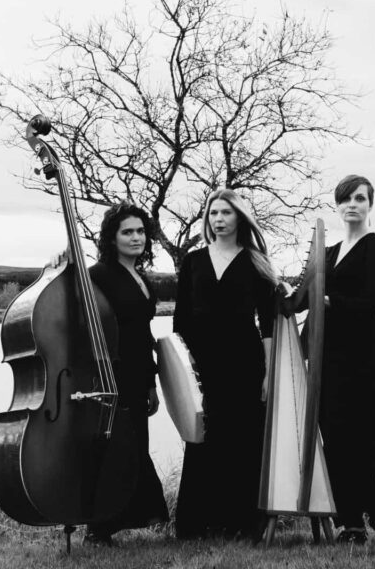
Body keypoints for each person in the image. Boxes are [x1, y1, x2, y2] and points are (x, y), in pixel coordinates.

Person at [314, 175, 375, 544]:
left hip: (360, 355)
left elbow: (371, 301)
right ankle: (347, 519)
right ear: (337, 206)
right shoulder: (328, 252)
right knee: (334, 434)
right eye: (346, 199)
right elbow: (311, 296)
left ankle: (361, 521)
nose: (352, 205)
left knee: (361, 434)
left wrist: (330, 301)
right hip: (328, 353)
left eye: (359, 198)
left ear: (370, 204)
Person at [172, 189, 277, 542]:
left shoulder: (256, 261)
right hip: (203, 362)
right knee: (203, 437)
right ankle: (197, 523)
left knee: (243, 438)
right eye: (213, 213)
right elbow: (181, 319)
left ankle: (242, 522)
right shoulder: (193, 261)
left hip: (245, 360)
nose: (218, 219)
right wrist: (184, 365)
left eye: (226, 213)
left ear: (239, 218)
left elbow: (268, 322)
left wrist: (269, 371)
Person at [85, 203, 169, 545]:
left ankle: (118, 521)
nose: (136, 237)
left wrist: (152, 383)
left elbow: (142, 334)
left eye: (140, 231)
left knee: (135, 446)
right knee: (115, 449)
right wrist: (58, 266)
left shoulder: (141, 276)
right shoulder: (97, 275)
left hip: (137, 372)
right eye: (127, 232)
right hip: (110, 373)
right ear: (112, 238)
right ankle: (98, 527)